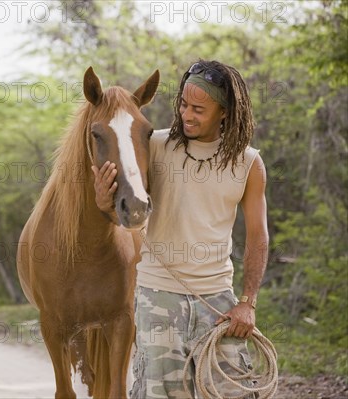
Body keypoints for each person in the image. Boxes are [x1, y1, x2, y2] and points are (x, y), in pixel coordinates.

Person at [92, 60, 268, 398]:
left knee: (234, 392)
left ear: (225, 112)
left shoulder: (248, 163)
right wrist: (103, 202)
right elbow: (125, 215)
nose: (187, 114)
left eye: (199, 109)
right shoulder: (154, 146)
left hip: (218, 301)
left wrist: (247, 302)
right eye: (184, 105)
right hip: (158, 298)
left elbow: (258, 237)